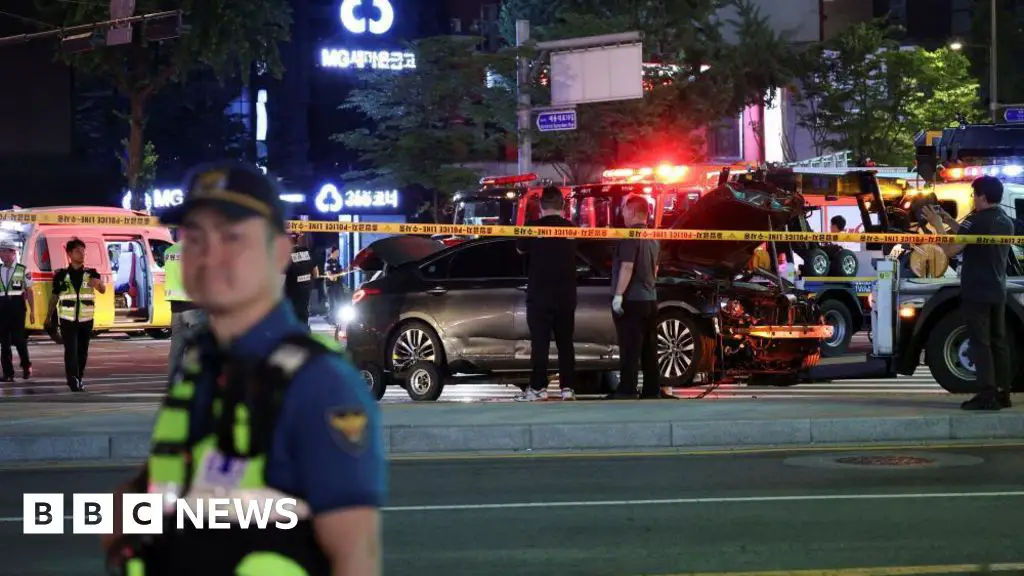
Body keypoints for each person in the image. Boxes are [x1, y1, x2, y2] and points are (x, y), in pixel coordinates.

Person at [101, 162, 385, 576]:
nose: (210, 255)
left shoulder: (319, 384)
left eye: (233, 236)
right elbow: (172, 485)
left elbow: (355, 558)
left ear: (280, 251)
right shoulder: (201, 366)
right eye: (195, 236)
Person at [923, 175, 1014, 411]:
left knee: (980, 343)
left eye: (974, 195)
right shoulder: (1005, 220)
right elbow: (968, 237)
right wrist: (952, 221)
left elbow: (952, 249)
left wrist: (938, 225)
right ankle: (1003, 392)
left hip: (976, 291)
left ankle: (986, 394)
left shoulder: (975, 221)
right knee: (998, 342)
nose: (973, 199)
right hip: (998, 290)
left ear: (983, 196)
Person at [514, 187, 577, 401]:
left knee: (539, 344)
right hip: (566, 295)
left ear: (541, 207)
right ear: (563, 206)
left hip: (540, 295)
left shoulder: (533, 228)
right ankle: (568, 388)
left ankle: (538, 388)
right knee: (565, 343)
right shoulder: (571, 229)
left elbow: (520, 249)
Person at [609, 196, 662, 400]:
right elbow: (656, 270)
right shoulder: (654, 237)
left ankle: (627, 389)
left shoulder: (630, 236)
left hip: (632, 300)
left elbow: (627, 266)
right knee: (649, 349)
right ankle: (652, 389)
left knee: (630, 347)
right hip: (650, 299)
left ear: (632, 212)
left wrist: (618, 296)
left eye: (623, 210)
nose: (622, 215)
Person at [51, 238, 106, 392]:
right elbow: (54, 296)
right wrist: (48, 316)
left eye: (83, 251)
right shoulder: (61, 275)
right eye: (77, 251)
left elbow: (102, 289)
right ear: (69, 254)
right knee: (71, 350)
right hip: (67, 319)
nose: (81, 254)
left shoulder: (91, 273)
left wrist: (99, 285)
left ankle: (79, 376)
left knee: (82, 351)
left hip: (86, 319)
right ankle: (72, 380)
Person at [163, 241, 206, 378]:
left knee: (176, 349)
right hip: (194, 307)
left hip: (175, 307)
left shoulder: (169, 251)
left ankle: (172, 382)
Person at [0, 240, 33, 382]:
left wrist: (32, 311)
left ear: (13, 253)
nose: (2, 254)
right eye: (1, 251)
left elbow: (29, 291)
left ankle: (26, 365)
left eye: (4, 251)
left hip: (17, 306)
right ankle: (8, 373)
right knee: (4, 342)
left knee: (19, 340)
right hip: (1, 306)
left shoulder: (22, 270)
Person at [285, 232, 319, 325]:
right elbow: (316, 274)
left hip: (292, 290)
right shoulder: (307, 252)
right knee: (304, 311)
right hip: (306, 288)